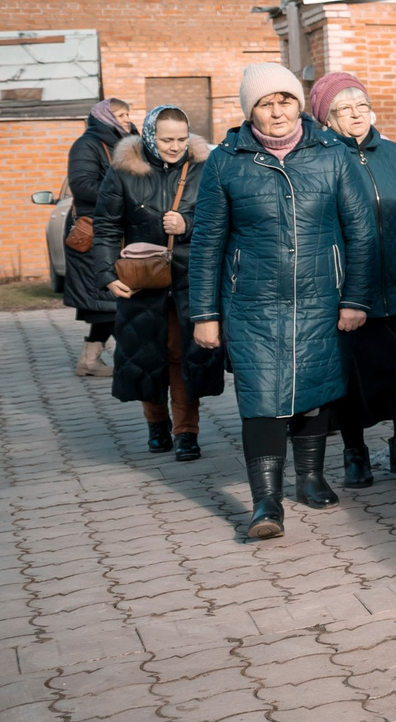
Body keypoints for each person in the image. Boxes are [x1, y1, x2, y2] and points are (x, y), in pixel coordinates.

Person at [189, 65, 377, 540]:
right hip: (251, 302)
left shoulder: (332, 154)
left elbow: (361, 231)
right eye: (265, 103)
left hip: (321, 298)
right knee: (260, 398)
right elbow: (208, 241)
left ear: (299, 104)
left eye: (286, 100)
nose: (277, 112)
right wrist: (205, 313)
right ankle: (265, 502)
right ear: (249, 110)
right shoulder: (226, 160)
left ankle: (310, 476)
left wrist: (355, 297)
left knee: (313, 390)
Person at [312, 71, 396, 489]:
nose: (356, 115)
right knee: (352, 377)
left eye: (362, 106)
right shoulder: (320, 159)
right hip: (349, 292)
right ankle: (355, 454)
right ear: (326, 118)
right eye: (344, 109)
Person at [95, 105, 210, 460]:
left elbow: (221, 217)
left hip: (190, 279)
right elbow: (106, 227)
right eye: (166, 139)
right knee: (148, 355)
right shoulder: (123, 172)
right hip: (143, 280)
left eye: (181, 138)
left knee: (184, 357)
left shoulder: (204, 170)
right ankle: (157, 426)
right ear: (148, 136)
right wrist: (107, 275)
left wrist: (187, 225)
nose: (175, 146)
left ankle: (187, 433)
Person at [64, 98, 133, 377]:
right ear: (105, 117)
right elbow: (81, 185)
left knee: (106, 303)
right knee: (109, 300)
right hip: (94, 233)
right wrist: (121, 192)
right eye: (121, 114)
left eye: (128, 113)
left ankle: (89, 361)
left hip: (120, 230)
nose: (127, 118)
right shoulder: (87, 144)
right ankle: (132, 362)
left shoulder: (131, 141)